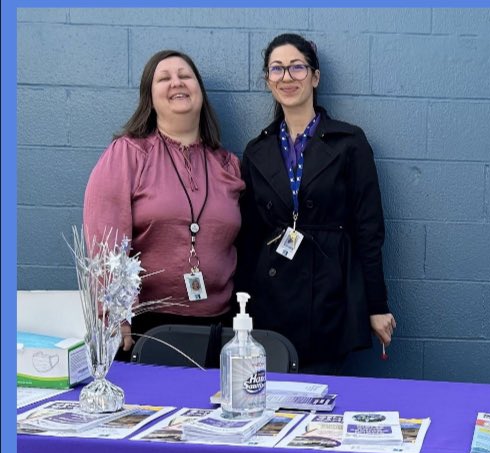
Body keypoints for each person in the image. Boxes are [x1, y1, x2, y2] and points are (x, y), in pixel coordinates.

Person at [238, 33, 395, 375]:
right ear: (267, 80)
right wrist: (242, 309)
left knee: (323, 400)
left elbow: (369, 230)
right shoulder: (256, 150)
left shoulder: (349, 142)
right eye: (276, 69)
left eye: (297, 67)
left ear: (315, 76)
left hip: (330, 291)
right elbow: (247, 236)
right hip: (272, 295)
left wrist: (377, 305)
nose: (287, 77)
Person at [84, 50, 244, 357]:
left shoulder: (227, 165)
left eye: (185, 76)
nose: (177, 83)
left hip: (221, 328)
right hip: (148, 329)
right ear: (150, 97)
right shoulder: (127, 155)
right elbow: (104, 244)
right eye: (164, 78)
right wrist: (115, 314)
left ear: (200, 91)